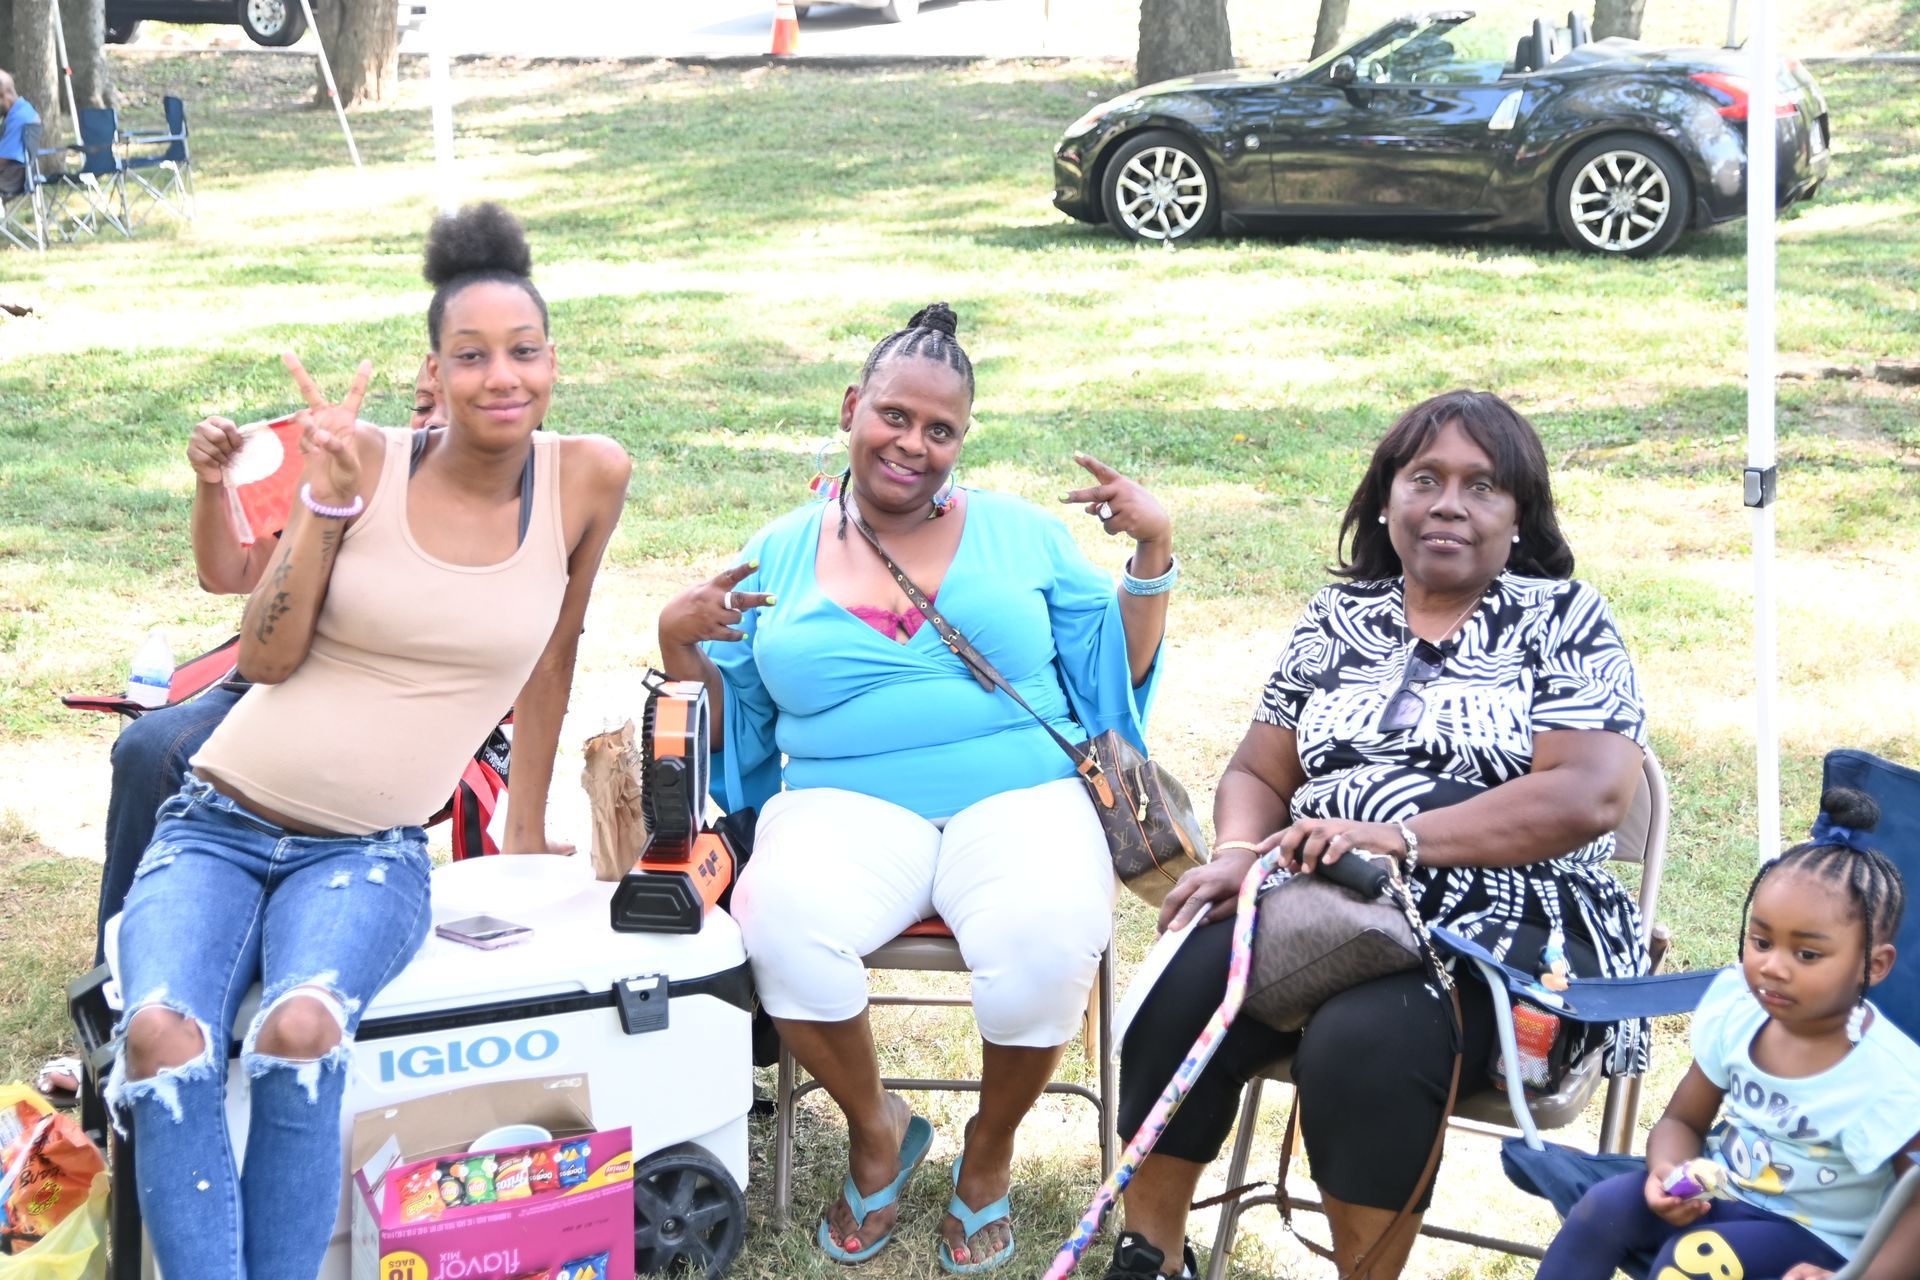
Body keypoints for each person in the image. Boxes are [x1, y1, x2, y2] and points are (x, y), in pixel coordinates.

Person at [104, 202, 631, 1280]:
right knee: (163, 1038)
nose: (501, 376)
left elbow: (557, 647)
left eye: (524, 351)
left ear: (553, 360)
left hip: (366, 851)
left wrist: (524, 821)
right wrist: (325, 506)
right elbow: (263, 656)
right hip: (216, 821)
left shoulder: (588, 476)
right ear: (433, 371)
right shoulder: (367, 460)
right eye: (471, 355)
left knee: (302, 1029)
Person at [658, 302, 1173, 1272]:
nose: (913, 443)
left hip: (1022, 796)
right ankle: (877, 1128)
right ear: (852, 407)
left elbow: (1115, 672)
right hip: (841, 802)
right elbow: (735, 725)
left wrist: (1151, 555)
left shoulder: (1023, 536)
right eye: (895, 415)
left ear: (962, 440)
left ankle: (990, 1149)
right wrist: (678, 641)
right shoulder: (779, 549)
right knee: (777, 920)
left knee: (1044, 935)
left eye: (941, 429)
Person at [1104, 390, 1650, 1280]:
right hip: (1329, 895)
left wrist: (1399, 837)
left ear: (1519, 514)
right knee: (1185, 979)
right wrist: (1237, 855)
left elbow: (1588, 796)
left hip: (1502, 919)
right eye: (1424, 479)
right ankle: (1152, 1257)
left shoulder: (1565, 619)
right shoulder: (1338, 617)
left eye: (1482, 486)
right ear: (1386, 498)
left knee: (1364, 1042)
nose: (1448, 504)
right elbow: (1259, 773)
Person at [91, 359, 447, 965]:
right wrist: (211, 482)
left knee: (177, 751)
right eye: (420, 405)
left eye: (447, 406)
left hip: (381, 702)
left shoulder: (519, 507)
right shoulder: (359, 473)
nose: (430, 421)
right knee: (152, 747)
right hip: (275, 681)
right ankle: (122, 972)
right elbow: (227, 572)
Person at [1537, 788, 1920, 1280]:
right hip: (1721, 1193)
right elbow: (1682, 1120)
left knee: (1692, 1259)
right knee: (1601, 1207)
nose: (1773, 966)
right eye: (1761, 941)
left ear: (1875, 964)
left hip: (1816, 1241)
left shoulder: (1886, 1077)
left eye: (1807, 954)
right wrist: (1668, 1172)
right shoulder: (1740, 1011)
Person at [0, 69, 41, 197]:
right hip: (15, 174)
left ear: (3, 95)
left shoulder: (18, 118)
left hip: (10, 178)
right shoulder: (25, 109)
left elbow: (3, 160)